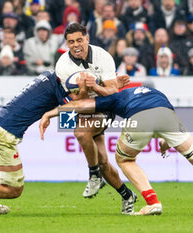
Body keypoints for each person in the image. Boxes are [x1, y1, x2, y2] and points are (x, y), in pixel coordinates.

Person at [39, 83, 193, 216]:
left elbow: (80, 105)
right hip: (168, 116)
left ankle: (152, 202)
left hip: (140, 119)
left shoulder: (117, 97)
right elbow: (166, 122)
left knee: (125, 160)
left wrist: (50, 113)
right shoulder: (155, 92)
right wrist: (165, 142)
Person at [0, 70, 133, 216]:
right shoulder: (60, 88)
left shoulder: (50, 77)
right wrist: (92, 91)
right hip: (2, 133)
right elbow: (76, 106)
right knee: (14, 189)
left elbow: (72, 109)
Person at [55, 23, 137, 211]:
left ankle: (93, 176)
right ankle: (127, 195)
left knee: (82, 133)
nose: (75, 45)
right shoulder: (62, 65)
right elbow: (77, 100)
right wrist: (85, 88)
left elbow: (112, 92)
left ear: (87, 38)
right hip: (82, 106)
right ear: (66, 43)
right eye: (70, 42)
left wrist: (96, 86)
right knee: (102, 161)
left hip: (105, 106)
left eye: (79, 40)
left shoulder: (103, 56)